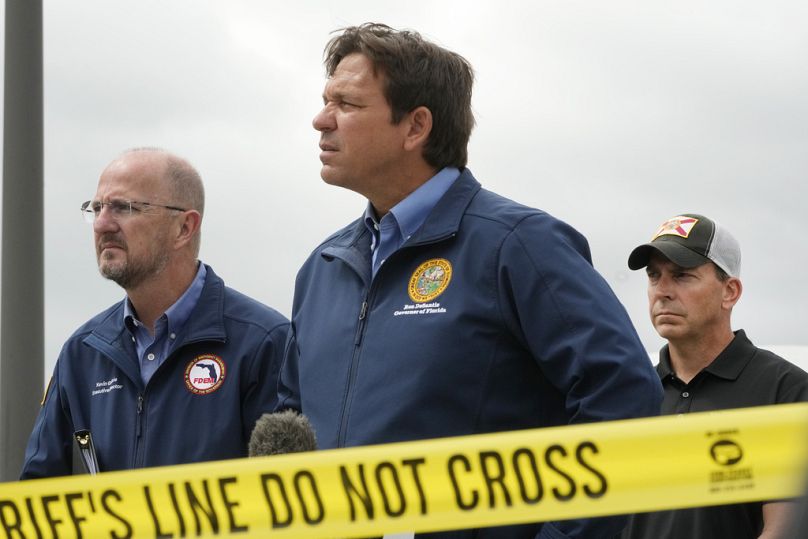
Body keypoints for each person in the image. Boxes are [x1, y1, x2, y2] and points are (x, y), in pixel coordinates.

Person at [276, 23, 662, 538]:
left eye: (346, 104)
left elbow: (625, 397)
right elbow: (290, 418)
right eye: (326, 101)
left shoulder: (520, 245)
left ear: (416, 127)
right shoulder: (322, 267)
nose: (321, 120)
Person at [21, 148, 289, 477]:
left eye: (123, 207)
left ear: (184, 228)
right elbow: (39, 498)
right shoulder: (82, 353)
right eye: (96, 208)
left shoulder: (263, 343)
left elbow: (285, 501)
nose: (102, 224)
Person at [622, 213, 808, 539]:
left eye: (681, 276)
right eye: (654, 276)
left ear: (730, 292)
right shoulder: (631, 396)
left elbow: (787, 528)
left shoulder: (787, 391)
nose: (662, 291)